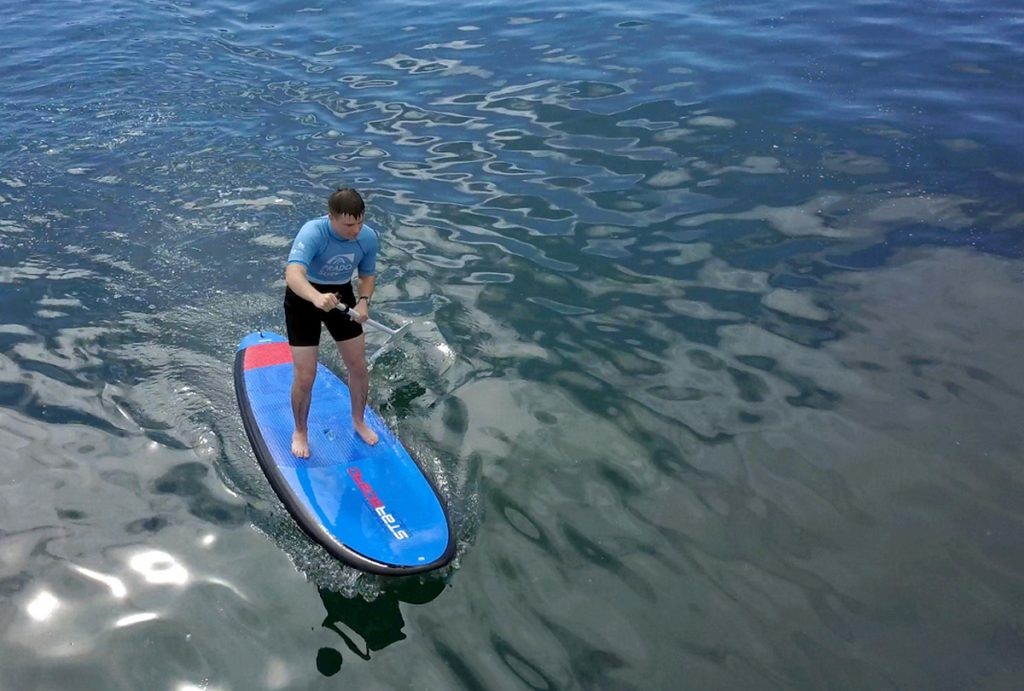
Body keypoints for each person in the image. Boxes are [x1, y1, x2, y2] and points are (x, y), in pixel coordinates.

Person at [284, 187, 380, 457]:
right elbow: (293, 274)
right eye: (349, 225)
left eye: (360, 222)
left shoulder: (368, 238)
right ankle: (300, 431)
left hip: (341, 296)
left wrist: (363, 301)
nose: (356, 230)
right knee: (306, 375)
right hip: (304, 298)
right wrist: (315, 297)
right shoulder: (313, 232)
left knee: (358, 366)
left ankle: (359, 421)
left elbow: (367, 275)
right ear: (331, 218)